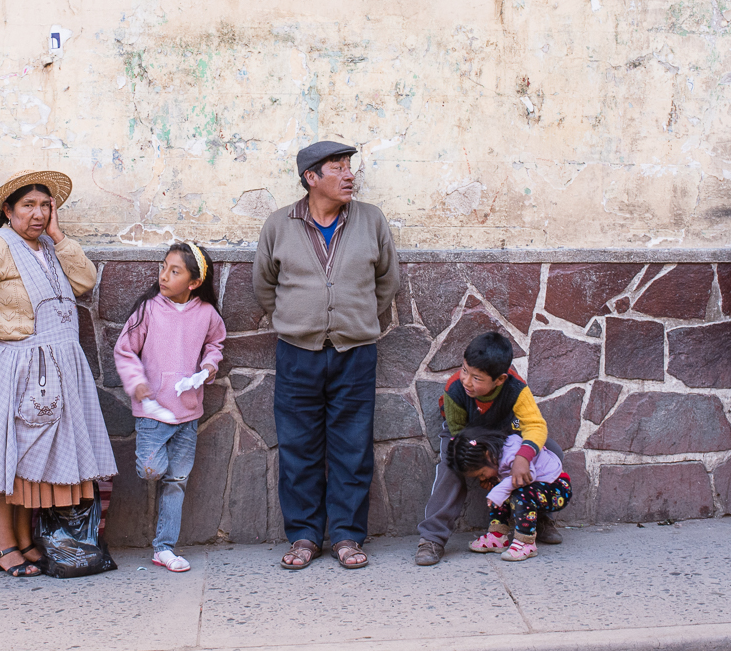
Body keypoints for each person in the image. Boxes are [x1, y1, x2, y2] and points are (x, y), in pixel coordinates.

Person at [0, 170, 117, 578]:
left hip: (54, 368)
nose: (37, 214)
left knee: (30, 458)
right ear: (8, 210)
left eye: (45, 205)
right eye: (28, 206)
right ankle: (4, 545)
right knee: (9, 455)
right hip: (18, 367)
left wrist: (58, 235)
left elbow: (85, 281)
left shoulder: (46, 247)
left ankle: (24, 540)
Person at [253, 140, 401, 571]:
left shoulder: (370, 219)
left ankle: (347, 536)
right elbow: (265, 285)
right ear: (311, 178)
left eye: (349, 167)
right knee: (298, 447)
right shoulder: (279, 224)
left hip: (355, 352)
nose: (349, 175)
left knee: (352, 447)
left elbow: (386, 281)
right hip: (298, 353)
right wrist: (302, 318)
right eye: (337, 168)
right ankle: (303, 535)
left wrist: (351, 320)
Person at [113, 241, 228, 573]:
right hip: (153, 412)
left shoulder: (206, 314)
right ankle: (162, 479)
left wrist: (208, 367)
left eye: (174, 271)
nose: (164, 275)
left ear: (193, 282)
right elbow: (125, 350)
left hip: (188, 413)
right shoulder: (149, 309)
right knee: (151, 470)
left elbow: (215, 344)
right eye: (163, 267)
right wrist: (136, 382)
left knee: (176, 482)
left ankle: (164, 547)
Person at [415, 330, 551, 566]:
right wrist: (481, 467)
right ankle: (432, 538)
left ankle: (535, 519)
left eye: (477, 378)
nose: (467, 380)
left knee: (550, 453)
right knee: (451, 467)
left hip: (505, 430)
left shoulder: (516, 388)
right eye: (465, 370)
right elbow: (458, 434)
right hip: (465, 435)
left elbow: (536, 426)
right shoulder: (455, 389)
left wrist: (522, 458)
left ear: (499, 379)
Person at [448, 428, 570, 562]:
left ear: (488, 455)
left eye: (482, 474)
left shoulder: (512, 449)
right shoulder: (495, 458)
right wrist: (497, 486)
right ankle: (497, 535)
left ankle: (526, 542)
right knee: (501, 491)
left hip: (557, 488)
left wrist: (499, 490)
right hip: (537, 487)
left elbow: (528, 475)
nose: (482, 479)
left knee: (520, 494)